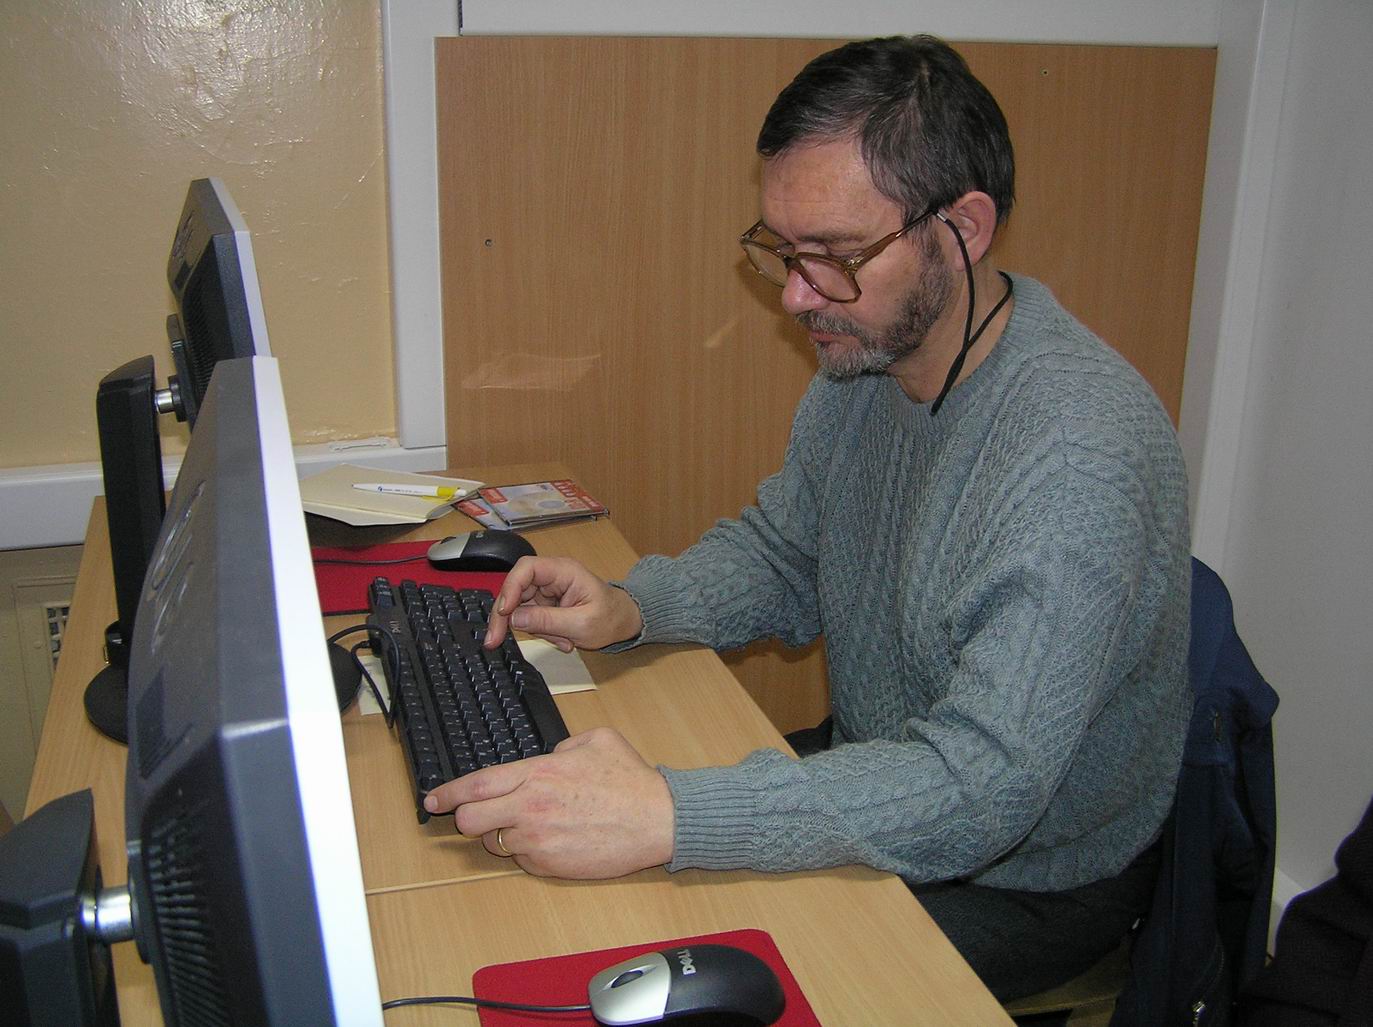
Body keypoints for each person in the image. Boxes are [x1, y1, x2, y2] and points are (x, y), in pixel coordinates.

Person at [423, 33, 1193, 1001]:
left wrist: (670, 815)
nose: (795, 296)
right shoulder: (867, 359)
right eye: (783, 252)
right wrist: (635, 605)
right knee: (567, 878)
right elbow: (787, 554)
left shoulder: (1074, 454)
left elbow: (981, 784)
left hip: (1023, 876)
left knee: (645, 947)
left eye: (833, 256)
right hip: (883, 768)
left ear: (963, 227)